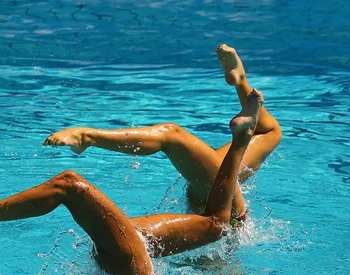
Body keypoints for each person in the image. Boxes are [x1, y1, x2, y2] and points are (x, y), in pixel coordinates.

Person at [0, 75, 265, 275]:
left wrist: (239, 81)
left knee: (69, 184)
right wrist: (239, 80)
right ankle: (239, 140)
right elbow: (270, 131)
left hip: (131, 260)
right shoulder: (226, 194)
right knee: (218, 221)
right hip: (135, 255)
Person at [43, 44, 282, 217]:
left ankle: (86, 137)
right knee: (271, 133)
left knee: (172, 135)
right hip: (222, 207)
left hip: (216, 206)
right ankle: (240, 81)